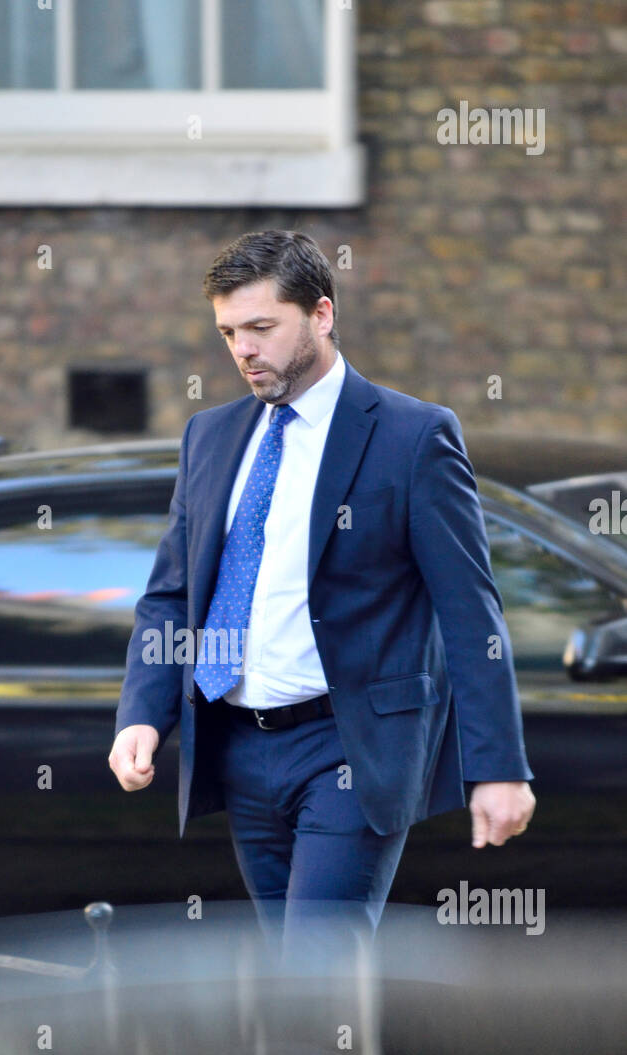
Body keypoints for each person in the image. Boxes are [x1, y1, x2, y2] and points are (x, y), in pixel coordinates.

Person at [108, 229, 535, 964]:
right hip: (238, 745)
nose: (243, 350)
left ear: (321, 315)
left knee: (317, 970)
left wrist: (497, 766)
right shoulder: (209, 438)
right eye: (229, 333)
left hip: (348, 748)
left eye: (261, 328)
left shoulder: (410, 436)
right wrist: (142, 714)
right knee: (295, 982)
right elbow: (171, 595)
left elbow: (470, 611)